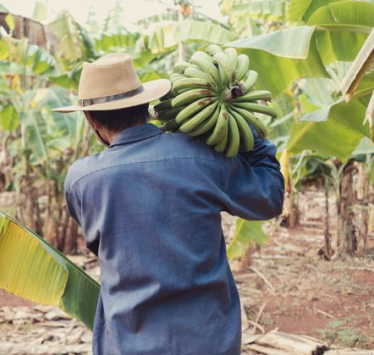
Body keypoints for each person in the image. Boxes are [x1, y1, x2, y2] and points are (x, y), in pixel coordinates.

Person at [53, 53, 284, 355]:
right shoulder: (202, 158)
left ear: (92, 120)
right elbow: (269, 199)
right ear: (145, 106)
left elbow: (103, 241)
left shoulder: (82, 179)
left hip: (127, 342)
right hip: (209, 341)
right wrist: (248, 130)